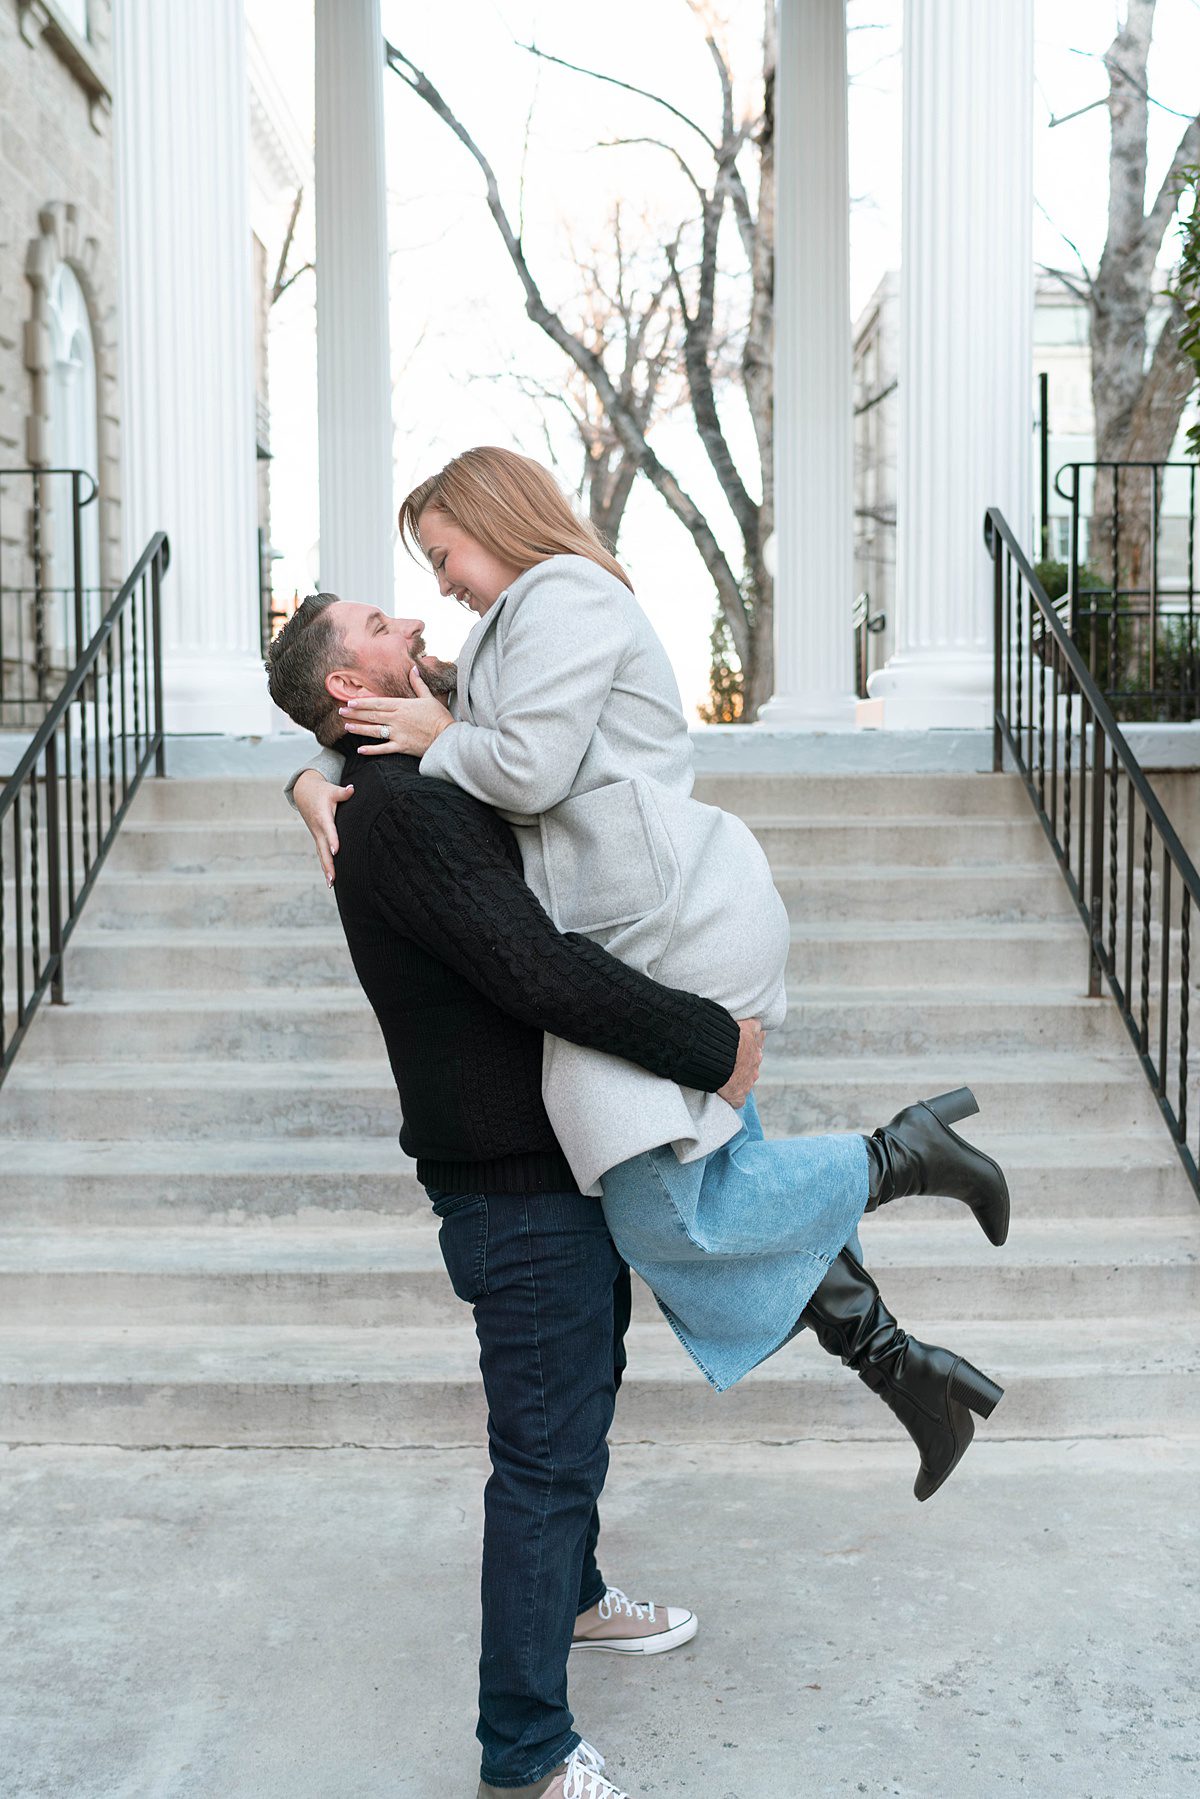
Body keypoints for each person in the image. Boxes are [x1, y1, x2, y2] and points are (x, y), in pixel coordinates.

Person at [286, 448, 1009, 1504]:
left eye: (444, 556)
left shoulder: (564, 597)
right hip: (630, 929)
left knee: (670, 1214)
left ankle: (902, 1155)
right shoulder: (501, 629)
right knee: (716, 1188)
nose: (436, 587)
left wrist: (437, 732)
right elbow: (360, 707)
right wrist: (311, 775)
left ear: (495, 522)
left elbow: (518, 764)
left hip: (668, 923)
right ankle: (910, 1373)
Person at [267, 605, 765, 1799]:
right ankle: (526, 1750)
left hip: (548, 1164)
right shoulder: (402, 812)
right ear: (351, 680)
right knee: (543, 1457)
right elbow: (537, 968)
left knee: (576, 1409)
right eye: (388, 622)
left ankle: (582, 1602)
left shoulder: (402, 785)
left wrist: (301, 775)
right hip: (513, 1184)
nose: (420, 617)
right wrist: (712, 1044)